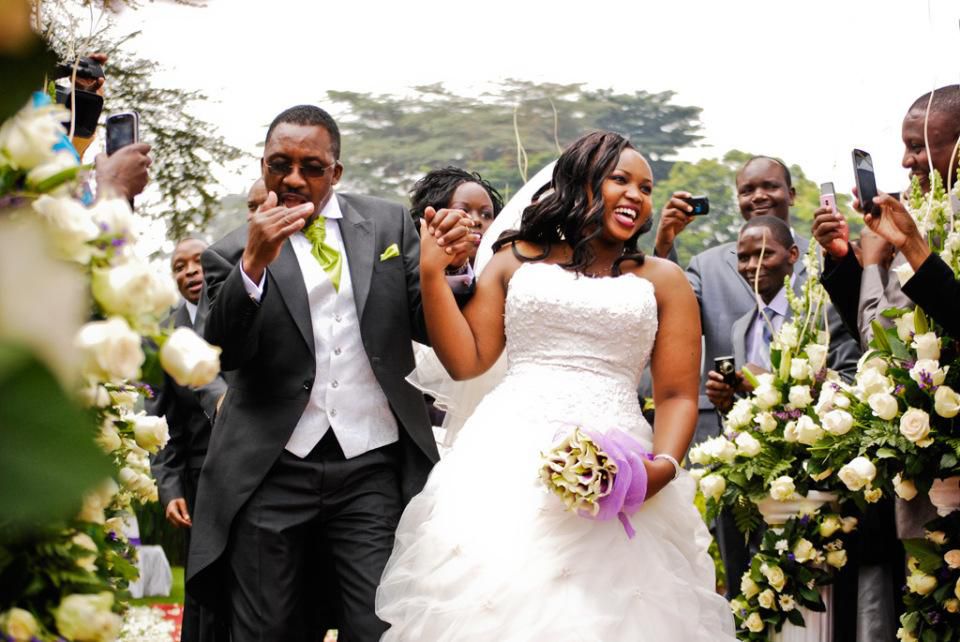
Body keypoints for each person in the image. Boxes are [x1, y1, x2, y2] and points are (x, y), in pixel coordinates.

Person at [376, 131, 736, 640]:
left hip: (623, 466)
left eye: (646, 187)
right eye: (620, 180)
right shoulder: (513, 261)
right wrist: (432, 274)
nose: (636, 194)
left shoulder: (664, 280)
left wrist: (662, 468)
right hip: (505, 457)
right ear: (581, 182)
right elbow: (465, 362)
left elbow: (677, 394)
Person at [186, 104, 478, 642]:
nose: (294, 179)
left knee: (379, 622)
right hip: (271, 470)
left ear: (335, 172)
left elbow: (425, 316)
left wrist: (452, 265)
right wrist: (254, 264)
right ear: (264, 165)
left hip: (370, 465)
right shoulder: (229, 252)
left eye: (311, 167)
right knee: (266, 628)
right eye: (280, 164)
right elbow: (221, 352)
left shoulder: (389, 224)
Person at [651, 155, 811, 594]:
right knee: (739, 565)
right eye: (747, 190)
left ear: (791, 194)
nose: (759, 196)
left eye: (771, 187)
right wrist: (664, 244)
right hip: (728, 436)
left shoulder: (820, 258)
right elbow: (666, 311)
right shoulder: (708, 263)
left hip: (812, 441)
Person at [813, 85, 960, 347]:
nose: (905, 161)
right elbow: (878, 339)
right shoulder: (917, 218)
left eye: (917, 147)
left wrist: (908, 247)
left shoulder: (919, 229)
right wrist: (843, 257)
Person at [148, 237, 228, 642]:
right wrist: (170, 486)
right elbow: (161, 421)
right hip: (199, 484)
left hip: (260, 471)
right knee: (205, 583)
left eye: (198, 261)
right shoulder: (162, 334)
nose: (191, 271)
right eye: (180, 266)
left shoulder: (239, 311)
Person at [703, 215, 859, 415]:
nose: (752, 265)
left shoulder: (824, 311)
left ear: (793, 254)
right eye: (743, 258)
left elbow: (850, 382)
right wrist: (726, 403)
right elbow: (749, 405)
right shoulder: (740, 328)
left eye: (764, 254)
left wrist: (772, 384)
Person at [406, 167, 504, 432]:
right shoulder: (413, 279)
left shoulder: (505, 281)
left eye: (486, 214)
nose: (477, 221)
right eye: (465, 210)